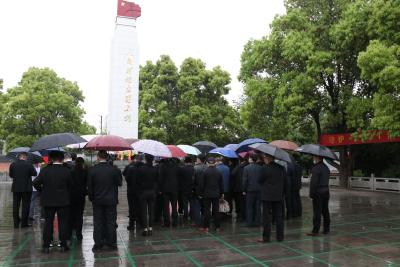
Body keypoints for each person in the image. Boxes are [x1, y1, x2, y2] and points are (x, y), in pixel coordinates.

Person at [33, 151, 72, 253]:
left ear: (51, 159)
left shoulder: (45, 170)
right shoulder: (66, 171)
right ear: (62, 159)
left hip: (48, 201)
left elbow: (35, 182)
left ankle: (46, 245)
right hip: (63, 201)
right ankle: (63, 245)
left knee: (48, 223)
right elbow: (71, 185)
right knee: (63, 223)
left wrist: (42, 191)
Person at [88, 150, 122, 251]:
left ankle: (98, 243)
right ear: (107, 157)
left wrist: (91, 197)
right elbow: (119, 183)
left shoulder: (92, 170)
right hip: (111, 200)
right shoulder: (114, 170)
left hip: (97, 200)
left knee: (98, 221)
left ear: (98, 157)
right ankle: (111, 243)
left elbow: (89, 187)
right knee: (111, 221)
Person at [258, 153, 287, 243]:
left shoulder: (264, 168)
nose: (264, 159)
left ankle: (266, 237)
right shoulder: (281, 168)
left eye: (265, 157)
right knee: (279, 217)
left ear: (268, 158)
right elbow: (285, 182)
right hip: (278, 196)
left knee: (266, 217)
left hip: (267, 196)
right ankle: (280, 237)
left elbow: (259, 180)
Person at [9, 152, 37, 228]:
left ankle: (16, 223)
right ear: (25, 157)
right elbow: (34, 173)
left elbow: (11, 175)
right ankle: (24, 223)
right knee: (26, 206)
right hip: (26, 188)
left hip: (16, 188)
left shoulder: (13, 164)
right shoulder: (29, 164)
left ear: (19, 157)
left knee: (15, 205)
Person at [307, 156, 330, 236]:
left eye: (314, 157)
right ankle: (326, 229)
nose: (313, 158)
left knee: (317, 212)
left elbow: (313, 183)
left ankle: (315, 230)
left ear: (317, 158)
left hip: (318, 193)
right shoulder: (326, 168)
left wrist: (311, 194)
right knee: (325, 211)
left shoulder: (316, 168)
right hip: (326, 191)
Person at [136, 154, 158, 236]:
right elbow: (157, 180)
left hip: (143, 192)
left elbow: (137, 181)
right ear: (152, 160)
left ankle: (145, 228)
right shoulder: (155, 169)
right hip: (152, 191)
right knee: (151, 210)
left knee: (144, 211)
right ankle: (151, 228)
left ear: (145, 159)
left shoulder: (141, 169)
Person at [200, 157, 224, 233]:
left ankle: (206, 227)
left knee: (207, 210)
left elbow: (202, 185)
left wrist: (200, 193)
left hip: (207, 194)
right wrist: (222, 193)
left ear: (207, 163)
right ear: (214, 162)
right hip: (216, 194)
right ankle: (217, 227)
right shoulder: (219, 172)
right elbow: (221, 184)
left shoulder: (205, 172)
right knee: (216, 210)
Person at [123, 154, 144, 230]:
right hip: (141, 190)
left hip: (131, 190)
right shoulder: (143, 167)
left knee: (131, 208)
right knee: (140, 207)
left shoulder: (130, 167)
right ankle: (140, 223)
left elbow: (126, 176)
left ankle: (131, 224)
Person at [69, 157, 88, 241]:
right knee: (79, 215)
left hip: (71, 196)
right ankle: (79, 233)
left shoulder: (71, 171)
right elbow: (87, 184)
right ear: (82, 163)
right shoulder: (84, 172)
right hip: (81, 196)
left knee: (71, 214)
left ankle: (71, 231)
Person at [242, 154, 262, 227]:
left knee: (249, 207)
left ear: (251, 159)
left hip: (249, 190)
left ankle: (249, 222)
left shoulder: (246, 168)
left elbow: (245, 180)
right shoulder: (261, 168)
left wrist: (244, 190)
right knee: (258, 206)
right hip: (259, 189)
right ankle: (257, 222)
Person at [159, 158, 179, 227]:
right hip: (174, 188)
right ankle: (175, 222)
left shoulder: (163, 166)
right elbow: (178, 177)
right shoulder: (176, 166)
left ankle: (167, 222)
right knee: (174, 206)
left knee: (166, 207)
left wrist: (160, 189)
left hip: (165, 189)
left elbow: (160, 178)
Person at [191, 155, 207, 226]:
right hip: (206, 191)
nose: (196, 160)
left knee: (197, 207)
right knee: (205, 207)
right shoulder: (207, 168)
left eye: (197, 159)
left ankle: (197, 222)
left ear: (200, 160)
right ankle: (205, 221)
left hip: (197, 191)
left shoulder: (195, 168)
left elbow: (193, 181)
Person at [230, 157, 247, 222]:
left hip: (238, 188)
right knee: (244, 203)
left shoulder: (238, 167)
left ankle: (241, 216)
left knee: (239, 203)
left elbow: (233, 173)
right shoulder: (247, 166)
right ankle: (244, 216)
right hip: (244, 188)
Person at [178, 157, 195, 222]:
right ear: (191, 161)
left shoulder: (182, 169)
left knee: (185, 203)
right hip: (191, 188)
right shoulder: (193, 169)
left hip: (184, 189)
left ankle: (185, 216)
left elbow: (180, 180)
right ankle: (192, 215)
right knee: (191, 203)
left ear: (185, 162)